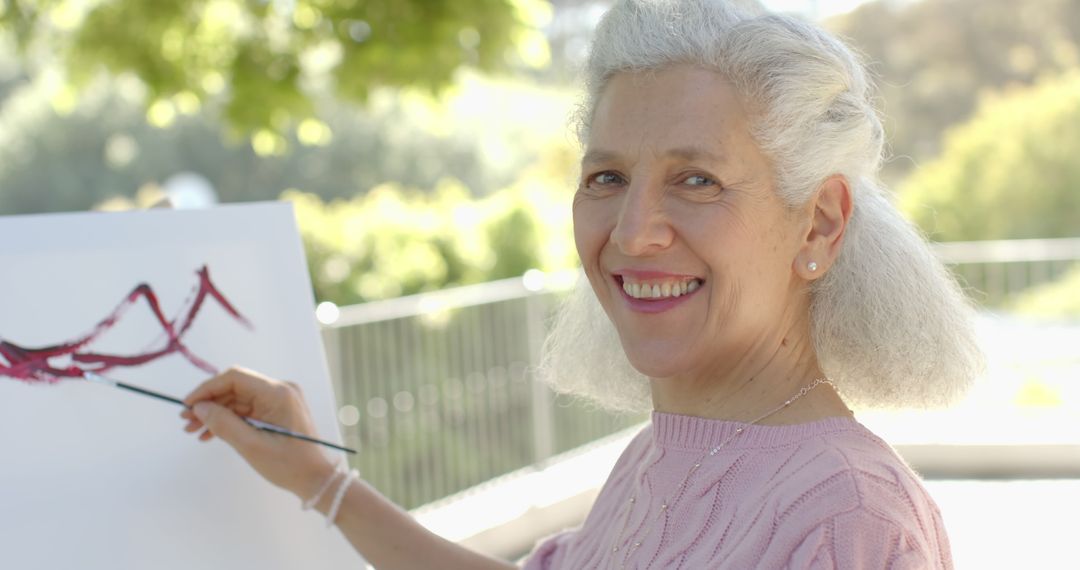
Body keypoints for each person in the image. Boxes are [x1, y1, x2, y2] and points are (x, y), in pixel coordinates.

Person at [181, 0, 984, 568]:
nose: (633, 232)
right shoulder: (659, 456)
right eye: (606, 177)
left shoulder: (849, 521)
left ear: (818, 226)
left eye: (697, 180)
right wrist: (322, 481)